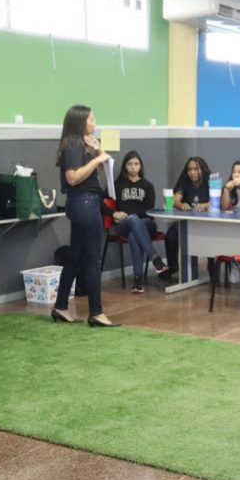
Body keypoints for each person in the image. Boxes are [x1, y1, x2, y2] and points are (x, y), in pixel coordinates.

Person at [52, 104, 119, 327]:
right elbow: (72, 178)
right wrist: (96, 159)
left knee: (76, 257)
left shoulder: (81, 144)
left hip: (84, 203)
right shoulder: (73, 144)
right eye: (91, 119)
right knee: (92, 259)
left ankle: (61, 307)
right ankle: (96, 312)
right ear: (80, 121)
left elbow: (104, 162)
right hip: (84, 203)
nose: (94, 123)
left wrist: (98, 151)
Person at [106, 150, 169, 293]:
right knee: (133, 221)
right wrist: (113, 213)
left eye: (136, 164)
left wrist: (130, 215)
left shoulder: (147, 186)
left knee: (134, 232)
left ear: (140, 166)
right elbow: (101, 202)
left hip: (146, 224)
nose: (133, 167)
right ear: (125, 166)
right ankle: (155, 258)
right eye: (130, 164)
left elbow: (148, 210)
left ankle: (138, 281)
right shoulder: (117, 185)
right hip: (123, 225)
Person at [163, 156, 211, 276]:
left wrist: (205, 205)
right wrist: (181, 205)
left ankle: (212, 266)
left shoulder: (210, 182)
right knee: (171, 235)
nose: (192, 172)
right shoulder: (184, 183)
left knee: (213, 237)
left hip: (207, 223)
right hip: (186, 222)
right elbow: (175, 200)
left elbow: (217, 202)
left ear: (202, 169)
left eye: (196, 169)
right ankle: (173, 267)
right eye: (189, 169)